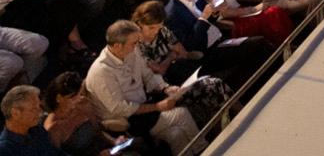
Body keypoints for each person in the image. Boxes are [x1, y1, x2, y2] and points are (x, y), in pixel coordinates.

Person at [84, 20, 199, 154]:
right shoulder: (101, 72)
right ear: (117, 46)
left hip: (144, 106)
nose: (138, 45)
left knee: (176, 134)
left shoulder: (134, 51)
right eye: (133, 43)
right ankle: (203, 149)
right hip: (127, 121)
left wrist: (165, 88)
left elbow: (148, 75)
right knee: (181, 114)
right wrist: (157, 107)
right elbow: (119, 108)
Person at [0, 84, 62, 156]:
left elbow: (55, 153)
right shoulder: (5, 149)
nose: (40, 113)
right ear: (15, 113)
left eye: (39, 107)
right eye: (34, 109)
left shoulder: (38, 130)